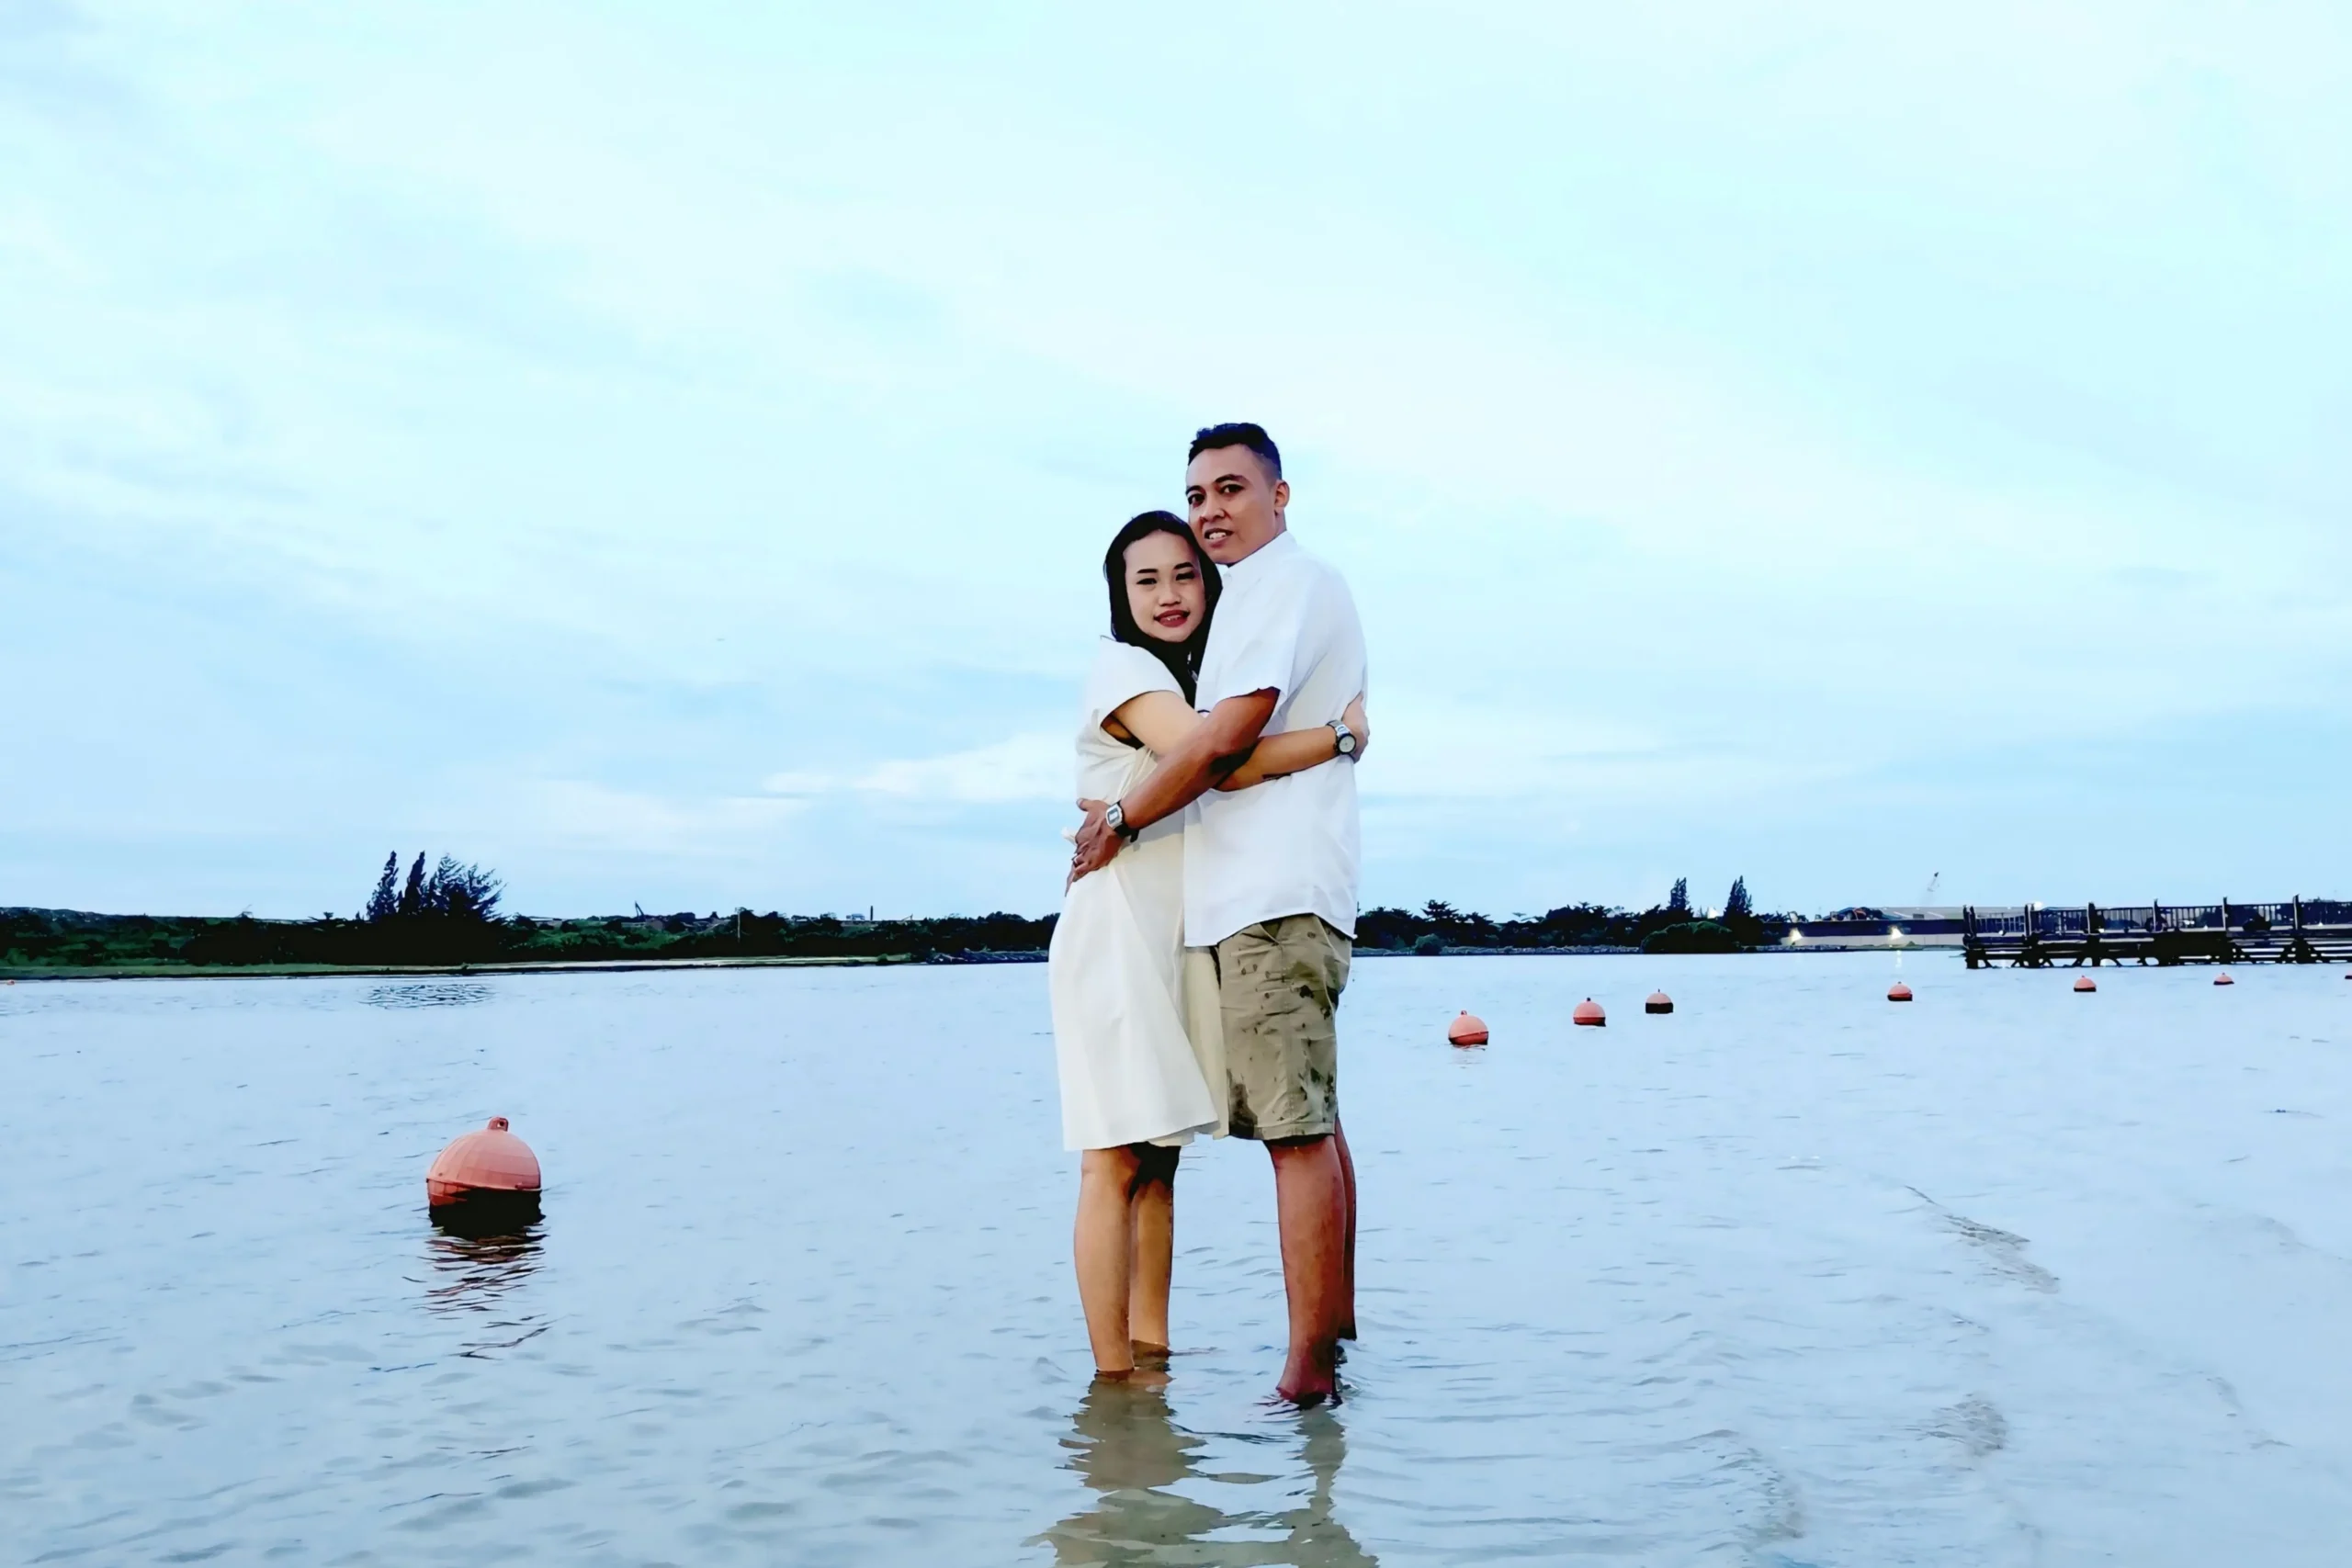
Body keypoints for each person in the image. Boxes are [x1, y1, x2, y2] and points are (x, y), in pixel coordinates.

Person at [1071, 423, 1367, 1405]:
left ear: (1279, 495)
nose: (1210, 512)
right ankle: (1135, 1369)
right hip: (1144, 926)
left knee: (1251, 1137)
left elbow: (1221, 749)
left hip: (1243, 909)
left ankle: (1274, 1371)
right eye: (1198, 494)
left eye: (1230, 489)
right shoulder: (1136, 672)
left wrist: (1124, 814)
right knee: (1132, 1151)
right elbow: (1217, 754)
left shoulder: (1275, 593)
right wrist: (1335, 738)